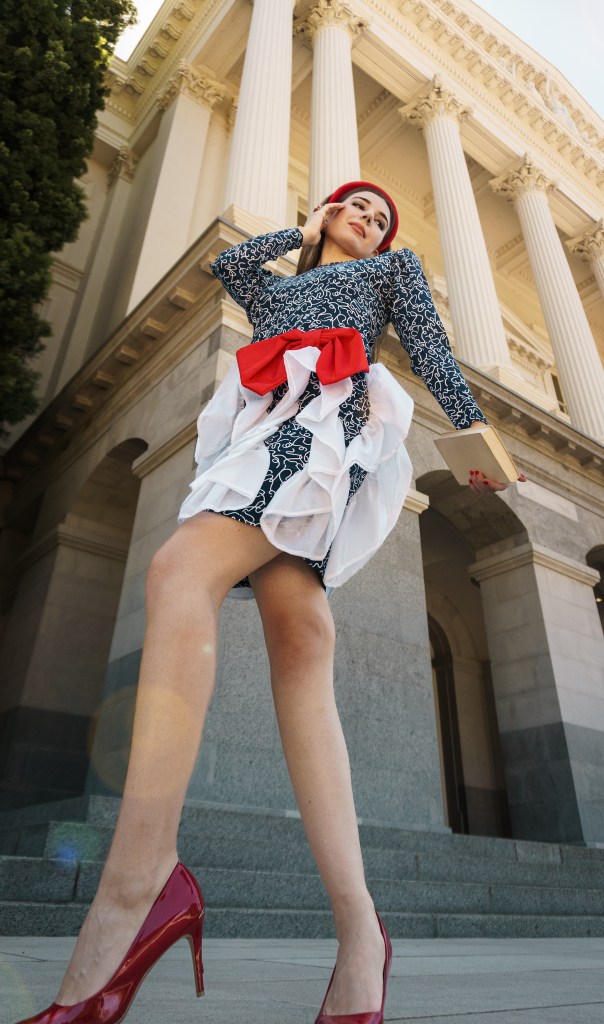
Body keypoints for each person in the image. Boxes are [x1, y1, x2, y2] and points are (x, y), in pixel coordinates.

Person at [16, 181, 524, 1024]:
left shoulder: (394, 271)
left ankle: (139, 882)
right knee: (301, 643)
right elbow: (227, 263)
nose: (371, 220)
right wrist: (301, 228)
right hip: (257, 430)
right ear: (327, 213)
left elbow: (431, 351)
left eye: (381, 217)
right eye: (356, 207)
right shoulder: (276, 283)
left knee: (180, 572)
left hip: (320, 429)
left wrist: (479, 442)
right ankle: (363, 937)